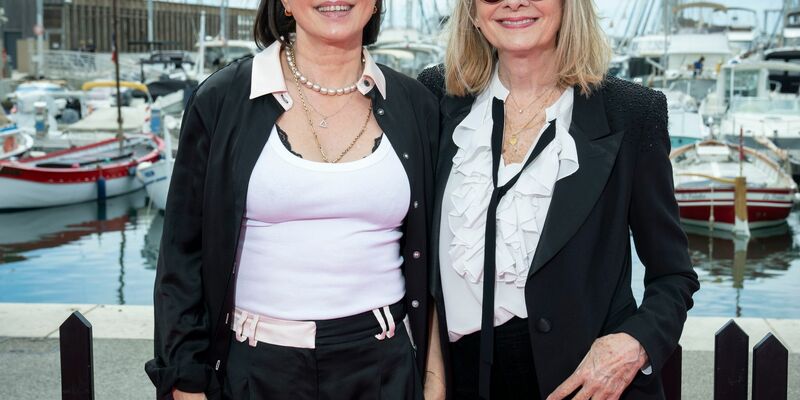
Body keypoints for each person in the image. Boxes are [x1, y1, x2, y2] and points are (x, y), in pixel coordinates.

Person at [145, 0, 438, 399]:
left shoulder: (415, 104)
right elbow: (181, 255)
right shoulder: (221, 98)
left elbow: (435, 257)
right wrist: (185, 380)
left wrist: (434, 380)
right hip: (254, 372)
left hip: (385, 370)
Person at [418, 0, 699, 399]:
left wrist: (631, 346)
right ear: (473, 11)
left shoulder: (632, 113)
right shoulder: (435, 97)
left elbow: (674, 275)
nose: (513, 3)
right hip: (460, 381)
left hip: (585, 386)